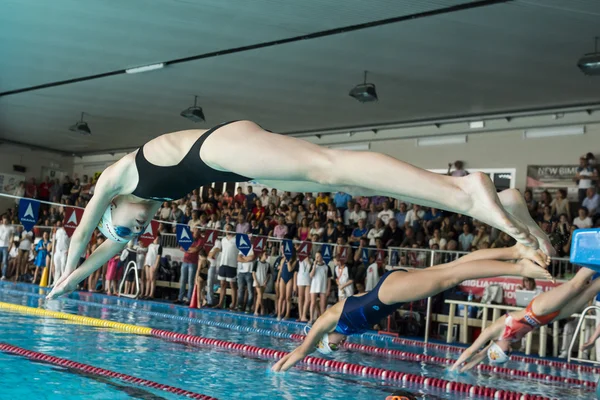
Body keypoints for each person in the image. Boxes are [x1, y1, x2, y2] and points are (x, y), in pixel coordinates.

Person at [47, 120, 551, 300]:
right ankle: (490, 201)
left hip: (218, 146)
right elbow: (110, 243)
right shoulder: (145, 202)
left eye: (130, 229)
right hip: (236, 170)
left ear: (115, 207)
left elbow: (85, 233)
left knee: (328, 168)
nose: (140, 232)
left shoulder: (115, 179)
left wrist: (65, 269)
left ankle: (467, 188)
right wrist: (73, 284)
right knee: (350, 188)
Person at [272, 243, 551, 372]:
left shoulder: (328, 322)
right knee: (453, 267)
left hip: (389, 292)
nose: (338, 346)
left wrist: (279, 368)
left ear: (325, 338)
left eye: (331, 346)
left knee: (455, 275)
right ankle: (515, 251)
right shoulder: (344, 329)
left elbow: (301, 350)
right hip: (391, 290)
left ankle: (520, 267)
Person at [451, 266, 600, 372]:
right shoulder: (505, 342)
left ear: (497, 349)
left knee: (576, 285)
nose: (510, 352)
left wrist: (453, 367)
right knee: (588, 293)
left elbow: (472, 351)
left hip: (538, 309)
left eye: (506, 353)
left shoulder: (494, 332)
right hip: (550, 318)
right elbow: (479, 358)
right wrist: (462, 370)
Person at [142, 234, 162, 299]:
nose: (156, 239)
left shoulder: (159, 247)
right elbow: (147, 254)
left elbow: (158, 257)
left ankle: (151, 294)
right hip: (147, 262)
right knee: (147, 278)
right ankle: (146, 293)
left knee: (152, 279)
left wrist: (155, 266)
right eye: (156, 238)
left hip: (153, 263)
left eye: (158, 238)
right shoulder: (149, 245)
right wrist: (144, 263)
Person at [253, 252, 271, 316]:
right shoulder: (257, 263)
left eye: (267, 254)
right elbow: (253, 273)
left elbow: (268, 275)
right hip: (257, 281)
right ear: (261, 255)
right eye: (265, 254)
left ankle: (256, 310)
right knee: (260, 295)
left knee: (259, 296)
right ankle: (262, 308)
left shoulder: (267, 264)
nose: (267, 256)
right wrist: (256, 281)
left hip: (263, 282)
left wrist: (266, 282)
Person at [0, 215, 14, 280]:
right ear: (2, 220)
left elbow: (12, 238)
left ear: (8, 220)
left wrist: (10, 246)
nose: (4, 221)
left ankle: (3, 275)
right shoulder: (0, 227)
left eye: (6, 220)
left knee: (4, 261)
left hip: (6, 246)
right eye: (3, 220)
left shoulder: (11, 227)